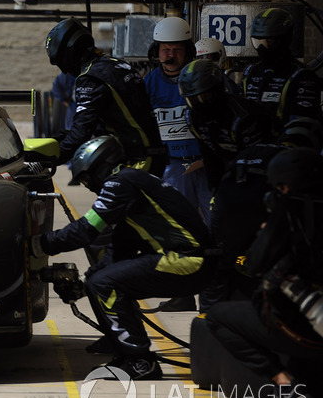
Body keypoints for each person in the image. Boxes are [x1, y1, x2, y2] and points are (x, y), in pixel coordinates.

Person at [31, 136, 214, 380]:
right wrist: (86, 285)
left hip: (189, 260)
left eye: (86, 178)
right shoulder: (132, 180)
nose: (87, 185)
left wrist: (38, 244)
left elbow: (86, 229)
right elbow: (123, 244)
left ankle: (140, 361)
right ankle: (121, 344)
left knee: (105, 283)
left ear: (101, 166)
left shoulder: (120, 183)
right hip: (186, 258)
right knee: (98, 279)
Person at [205, 148, 323, 398]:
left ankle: (287, 385)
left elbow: (255, 263)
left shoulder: (289, 211)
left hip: (306, 329)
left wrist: (268, 228)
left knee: (218, 317)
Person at [45, 18, 166, 177]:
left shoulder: (91, 77)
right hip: (151, 156)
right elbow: (112, 121)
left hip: (138, 161)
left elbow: (82, 131)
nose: (66, 71)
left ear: (69, 53)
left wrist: (46, 160)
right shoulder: (116, 64)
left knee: (110, 201)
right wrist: (63, 137)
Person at [144, 16, 209, 312]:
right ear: (156, 51)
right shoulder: (147, 84)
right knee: (178, 231)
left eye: (176, 49)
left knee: (216, 227)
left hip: (206, 165)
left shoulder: (203, 76)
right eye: (164, 49)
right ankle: (183, 293)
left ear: (188, 51)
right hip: (171, 167)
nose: (170, 55)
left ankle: (216, 291)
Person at [178, 59, 275, 192]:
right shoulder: (192, 117)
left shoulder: (244, 117)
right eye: (192, 100)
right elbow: (209, 157)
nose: (200, 105)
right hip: (231, 166)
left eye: (204, 97)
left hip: (267, 168)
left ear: (218, 89)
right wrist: (215, 192)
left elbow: (258, 161)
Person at [240, 7, 323, 124]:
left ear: (284, 40)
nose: (262, 49)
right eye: (257, 43)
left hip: (283, 138)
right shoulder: (251, 72)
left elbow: (302, 124)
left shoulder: (303, 76)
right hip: (251, 138)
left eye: (268, 42)